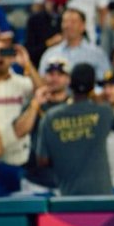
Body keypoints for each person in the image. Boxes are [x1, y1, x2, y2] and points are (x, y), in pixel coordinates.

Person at [36, 63, 114, 195]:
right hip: (102, 197)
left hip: (68, 196)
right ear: (93, 87)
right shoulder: (105, 112)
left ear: (70, 83)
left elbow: (42, 160)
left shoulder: (51, 116)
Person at [0, 42, 41, 197]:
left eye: (5, 53)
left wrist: (27, 64)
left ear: (12, 57)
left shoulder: (21, 82)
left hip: (16, 156)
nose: (0, 57)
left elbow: (42, 91)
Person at [14, 57, 73, 194]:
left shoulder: (74, 105)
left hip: (66, 181)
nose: (55, 78)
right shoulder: (35, 103)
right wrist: (35, 104)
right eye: (51, 74)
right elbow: (19, 132)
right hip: (35, 179)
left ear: (68, 79)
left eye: (60, 74)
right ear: (45, 76)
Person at [39, 8, 111, 76]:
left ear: (83, 26)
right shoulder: (50, 54)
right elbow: (42, 80)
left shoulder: (97, 54)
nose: (68, 25)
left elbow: (104, 81)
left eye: (73, 22)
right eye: (65, 21)